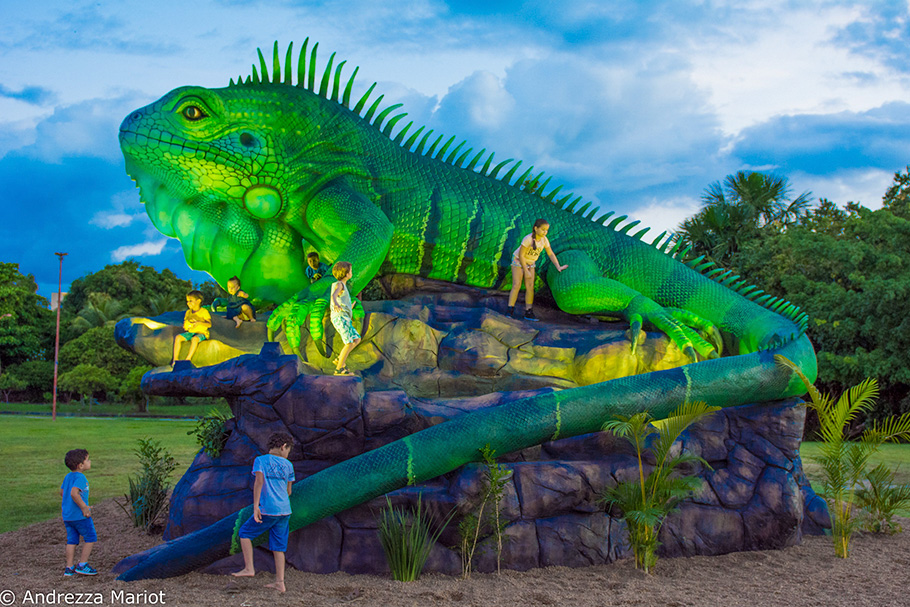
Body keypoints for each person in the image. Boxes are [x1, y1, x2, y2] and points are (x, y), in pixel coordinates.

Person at [231, 432, 296, 593]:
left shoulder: (260, 461)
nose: (287, 454)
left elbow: (259, 483)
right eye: (288, 450)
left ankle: (249, 568)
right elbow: (289, 491)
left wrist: (256, 507)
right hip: (285, 511)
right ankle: (280, 583)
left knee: (245, 533)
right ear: (283, 447)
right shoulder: (288, 465)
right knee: (279, 547)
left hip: (269, 509)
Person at [507, 218, 568, 321]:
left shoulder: (544, 240)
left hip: (531, 262)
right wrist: (525, 271)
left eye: (547, 230)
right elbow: (521, 255)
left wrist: (558, 266)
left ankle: (528, 312)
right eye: (543, 229)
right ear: (536, 228)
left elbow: (551, 253)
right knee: (516, 284)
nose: (545, 232)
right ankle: (510, 310)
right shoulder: (528, 239)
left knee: (530, 287)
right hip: (519, 260)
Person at [61, 449, 98, 577]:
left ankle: (69, 567)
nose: (90, 461)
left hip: (68, 516)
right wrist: (84, 507)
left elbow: (62, 492)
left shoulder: (68, 476)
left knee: (71, 540)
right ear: (80, 465)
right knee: (91, 537)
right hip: (80, 516)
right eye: (87, 459)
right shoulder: (81, 478)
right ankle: (83, 565)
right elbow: (73, 493)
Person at [330, 261, 361, 375]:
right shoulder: (339, 284)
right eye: (351, 271)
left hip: (344, 317)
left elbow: (341, 299)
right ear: (346, 273)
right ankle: (339, 369)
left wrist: (350, 306)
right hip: (340, 317)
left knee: (356, 339)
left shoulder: (343, 286)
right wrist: (336, 304)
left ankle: (340, 360)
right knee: (349, 342)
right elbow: (334, 295)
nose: (351, 272)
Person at [171, 290, 212, 365]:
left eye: (190, 301)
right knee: (178, 337)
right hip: (191, 332)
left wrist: (199, 322)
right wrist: (186, 326)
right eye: (187, 301)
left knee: (195, 339)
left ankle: (188, 359)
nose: (188, 303)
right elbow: (185, 323)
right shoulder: (188, 312)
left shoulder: (204, 312)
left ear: (198, 301)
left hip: (201, 333)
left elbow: (209, 324)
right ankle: (175, 360)